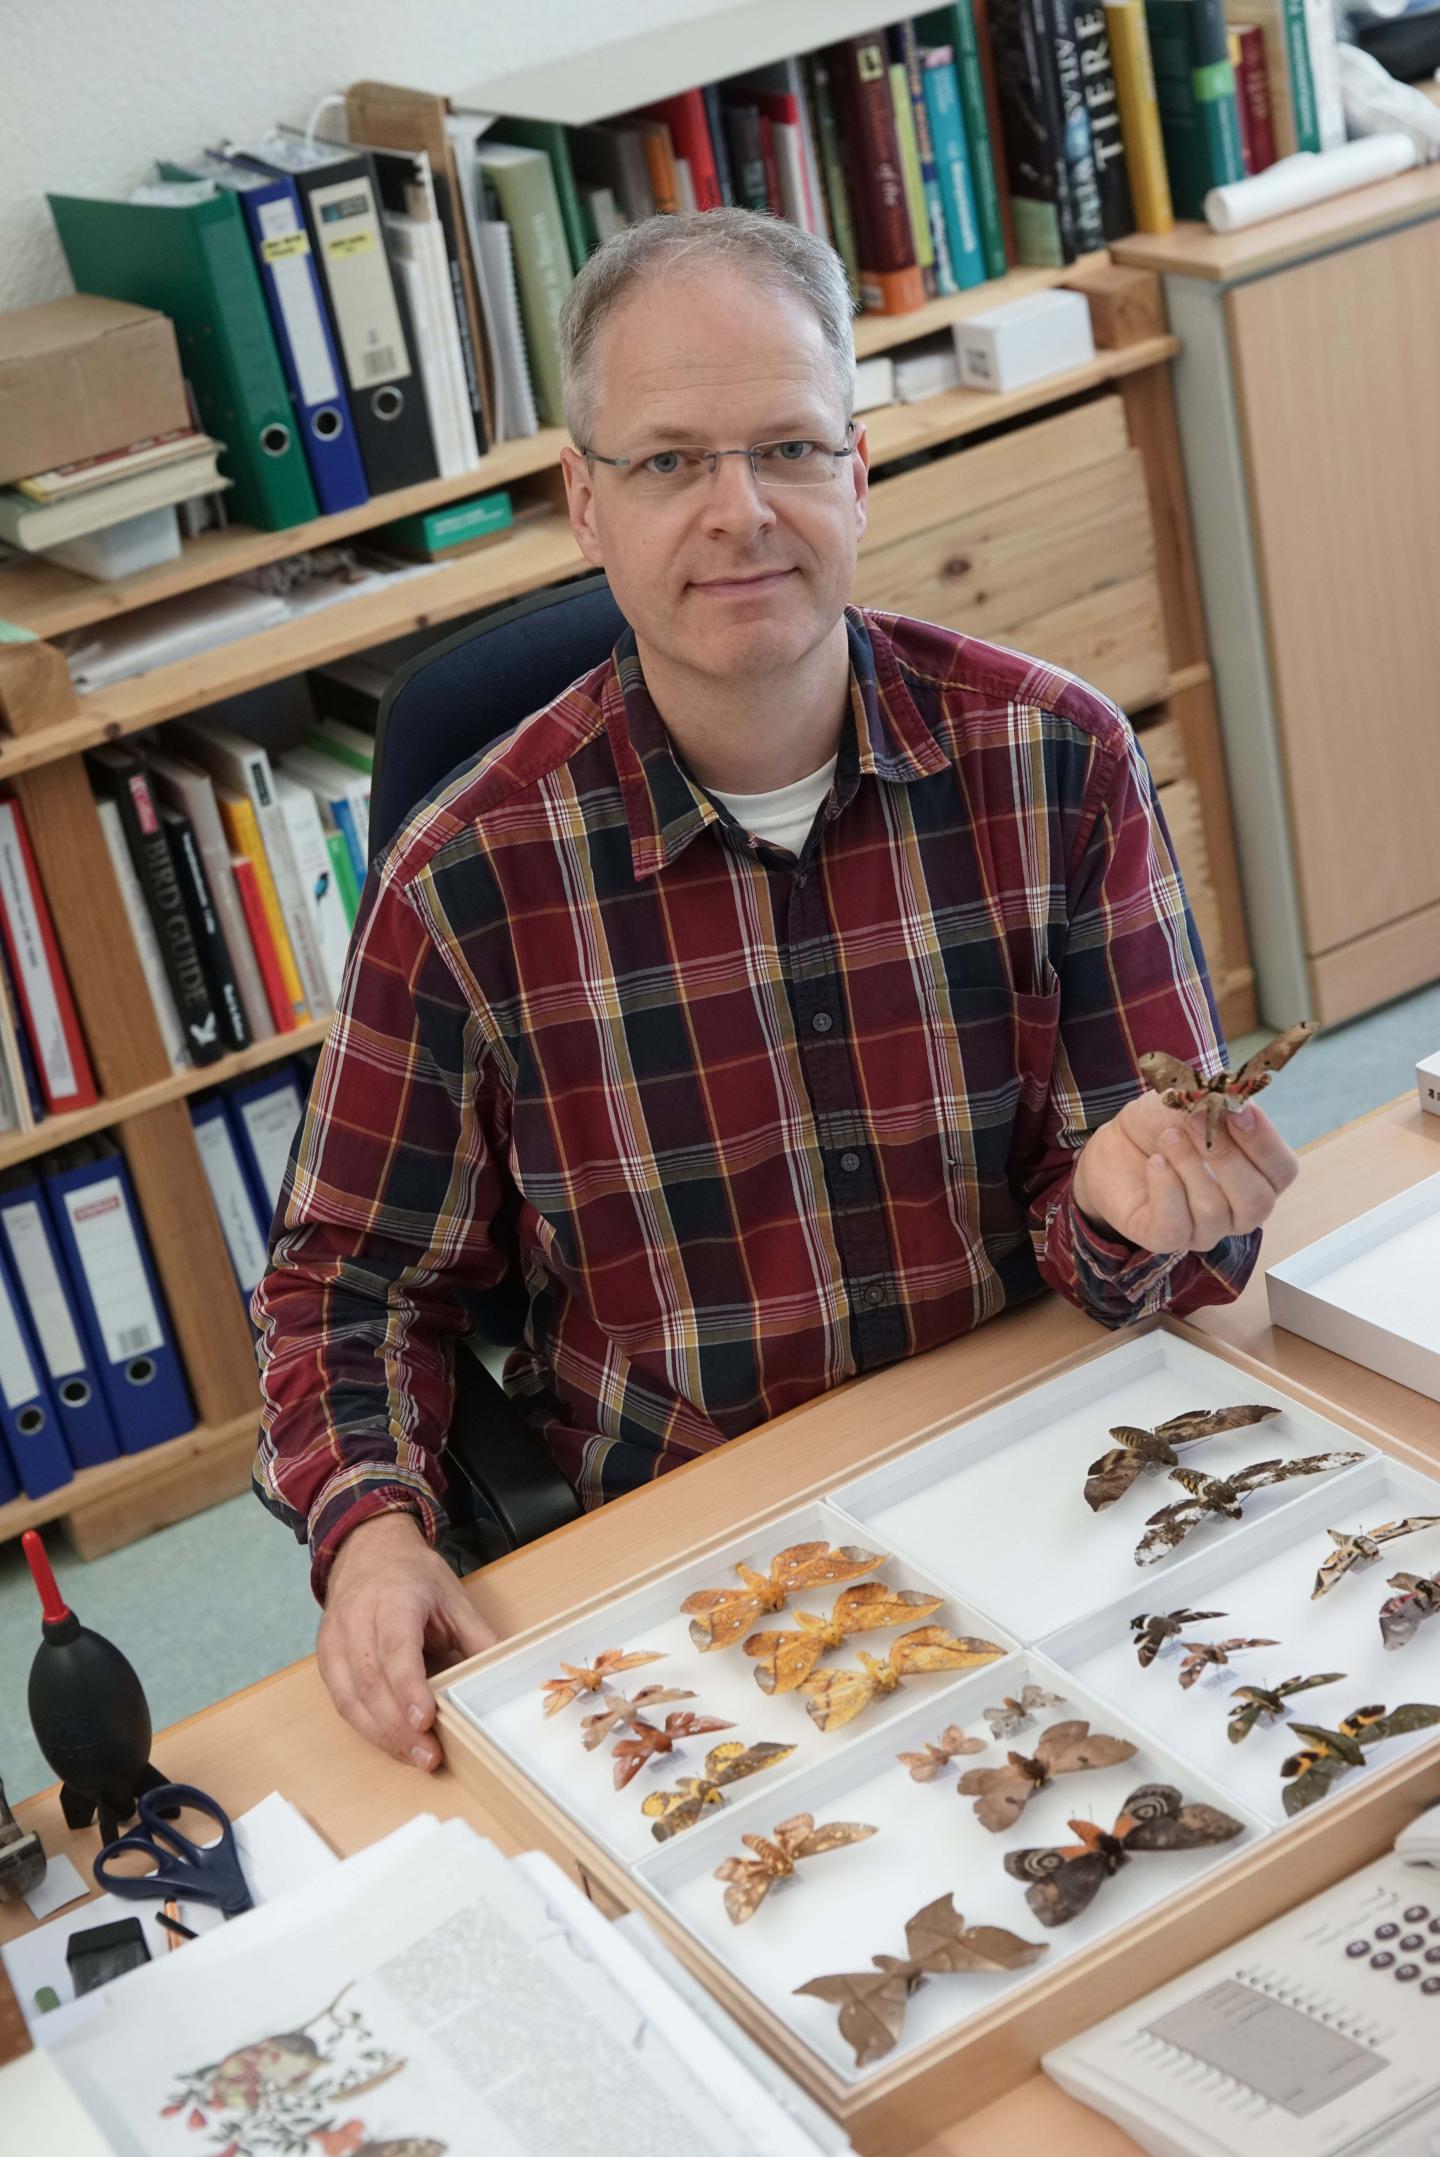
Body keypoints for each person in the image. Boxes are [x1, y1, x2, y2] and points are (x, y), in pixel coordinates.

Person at [252, 208, 1299, 1775]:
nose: (741, 511)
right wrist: (374, 1533)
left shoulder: (1056, 762)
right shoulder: (464, 875)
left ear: (860, 475)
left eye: (792, 449)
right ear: (584, 504)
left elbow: (1150, 1247)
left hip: (1038, 1459)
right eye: (672, 461)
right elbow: (347, 1282)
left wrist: (1148, 1213)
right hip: (684, 1543)